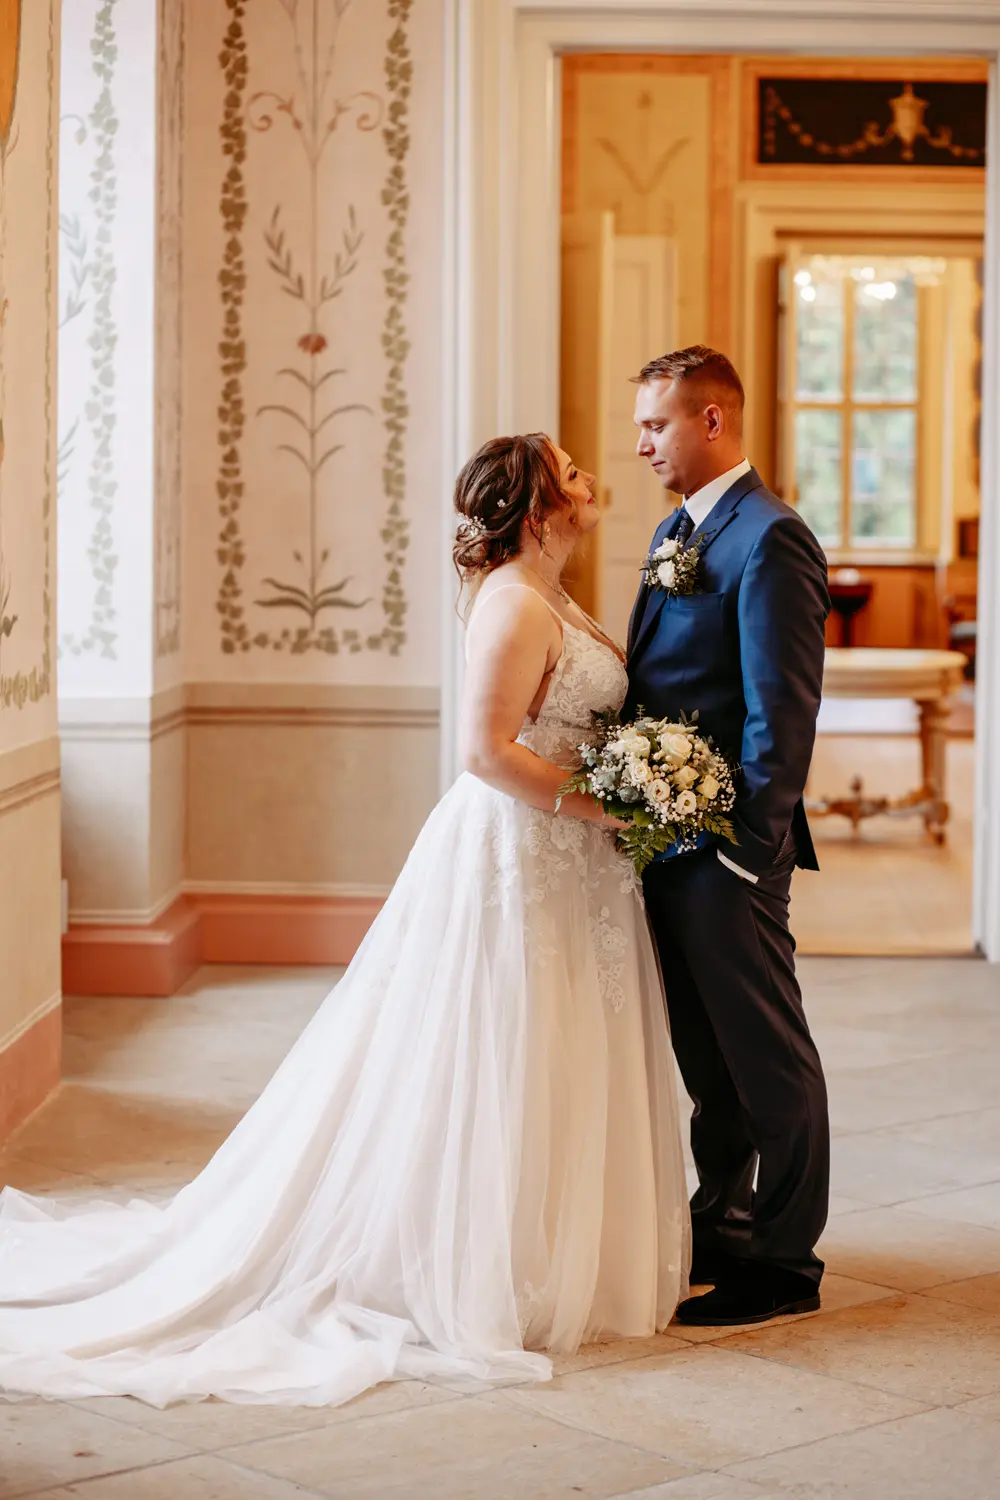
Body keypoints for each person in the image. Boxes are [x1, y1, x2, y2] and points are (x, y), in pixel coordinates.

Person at [0, 433, 690, 1407]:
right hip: (520, 850)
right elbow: (486, 754)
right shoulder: (512, 605)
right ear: (538, 508)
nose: (590, 477)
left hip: (569, 857)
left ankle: (551, 1243)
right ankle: (470, 1256)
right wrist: (611, 807)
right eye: (569, 472)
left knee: (557, 1040)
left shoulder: (547, 593)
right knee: (505, 1042)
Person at [627, 345, 831, 1328]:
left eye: (656, 424)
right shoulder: (678, 528)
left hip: (727, 848)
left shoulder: (771, 536)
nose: (640, 443)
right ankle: (724, 1222)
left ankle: (785, 1263)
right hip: (666, 840)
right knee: (706, 1056)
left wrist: (749, 847)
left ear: (712, 422)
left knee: (766, 1053)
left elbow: (779, 712)